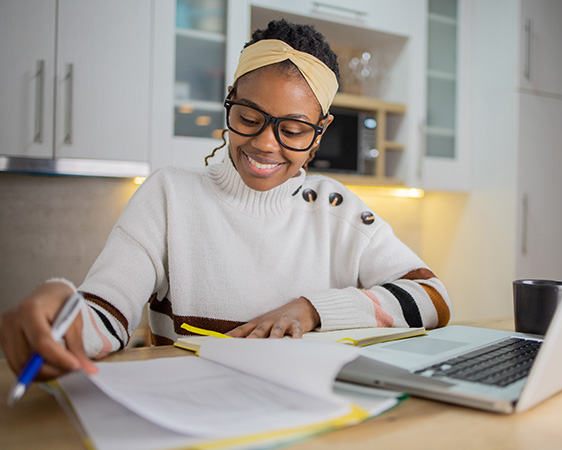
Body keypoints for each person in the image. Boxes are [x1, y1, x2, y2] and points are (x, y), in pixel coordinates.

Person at [0, 19, 451, 380]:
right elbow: (105, 315)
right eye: (249, 117)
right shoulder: (168, 195)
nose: (266, 144)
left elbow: (432, 297)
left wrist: (314, 309)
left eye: (292, 130)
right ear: (229, 103)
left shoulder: (338, 210)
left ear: (320, 134)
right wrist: (63, 314)